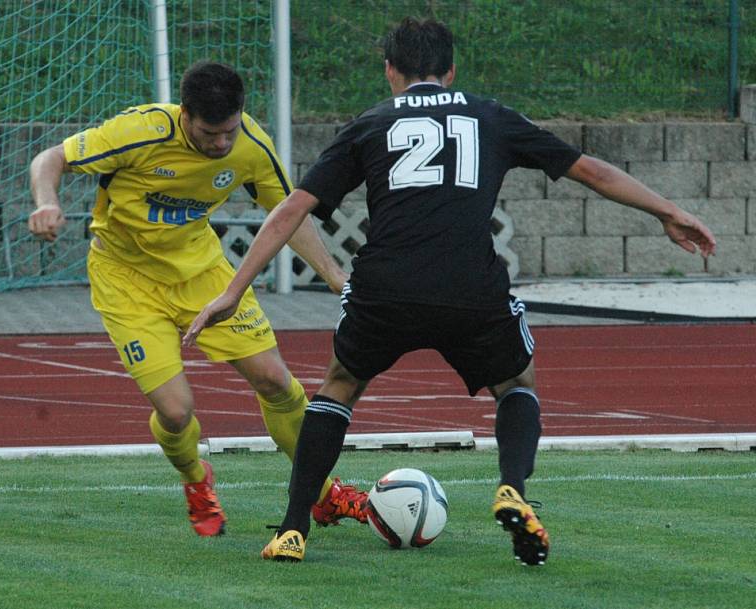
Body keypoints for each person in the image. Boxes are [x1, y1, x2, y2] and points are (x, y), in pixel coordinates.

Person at [183, 19, 717, 564]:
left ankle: (294, 529)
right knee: (515, 382)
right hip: (470, 285)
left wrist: (232, 289)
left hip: (384, 286)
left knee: (339, 386)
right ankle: (513, 489)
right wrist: (669, 211)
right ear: (452, 71)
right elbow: (591, 171)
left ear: (390, 70)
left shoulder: (369, 124)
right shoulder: (491, 116)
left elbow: (293, 208)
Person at [28, 61, 369, 537]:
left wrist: (333, 275)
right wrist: (47, 201)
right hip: (124, 280)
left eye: (230, 130)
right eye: (211, 134)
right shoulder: (139, 131)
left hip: (201, 270)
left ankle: (323, 492)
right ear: (185, 114)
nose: (222, 144)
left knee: (274, 378)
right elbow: (50, 158)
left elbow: (287, 211)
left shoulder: (251, 145)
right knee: (175, 411)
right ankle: (195, 479)